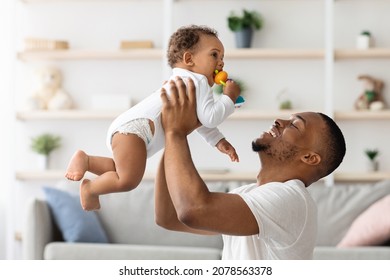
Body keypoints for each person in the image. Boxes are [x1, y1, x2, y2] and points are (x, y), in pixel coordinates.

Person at [155, 77, 346, 260]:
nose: (279, 121)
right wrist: (174, 132)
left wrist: (176, 132)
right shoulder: (248, 194)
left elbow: (194, 210)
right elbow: (169, 217)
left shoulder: (292, 199)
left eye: (295, 126)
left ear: (309, 158)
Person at [65, 25, 241, 210]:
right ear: (189, 59)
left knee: (121, 171)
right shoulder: (198, 82)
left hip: (130, 129)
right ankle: (90, 188)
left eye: (222, 58)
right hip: (137, 131)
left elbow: (198, 119)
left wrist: (218, 140)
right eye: (214, 55)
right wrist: (229, 97)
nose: (221, 63)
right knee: (128, 180)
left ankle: (88, 161)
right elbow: (209, 117)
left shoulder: (186, 81)